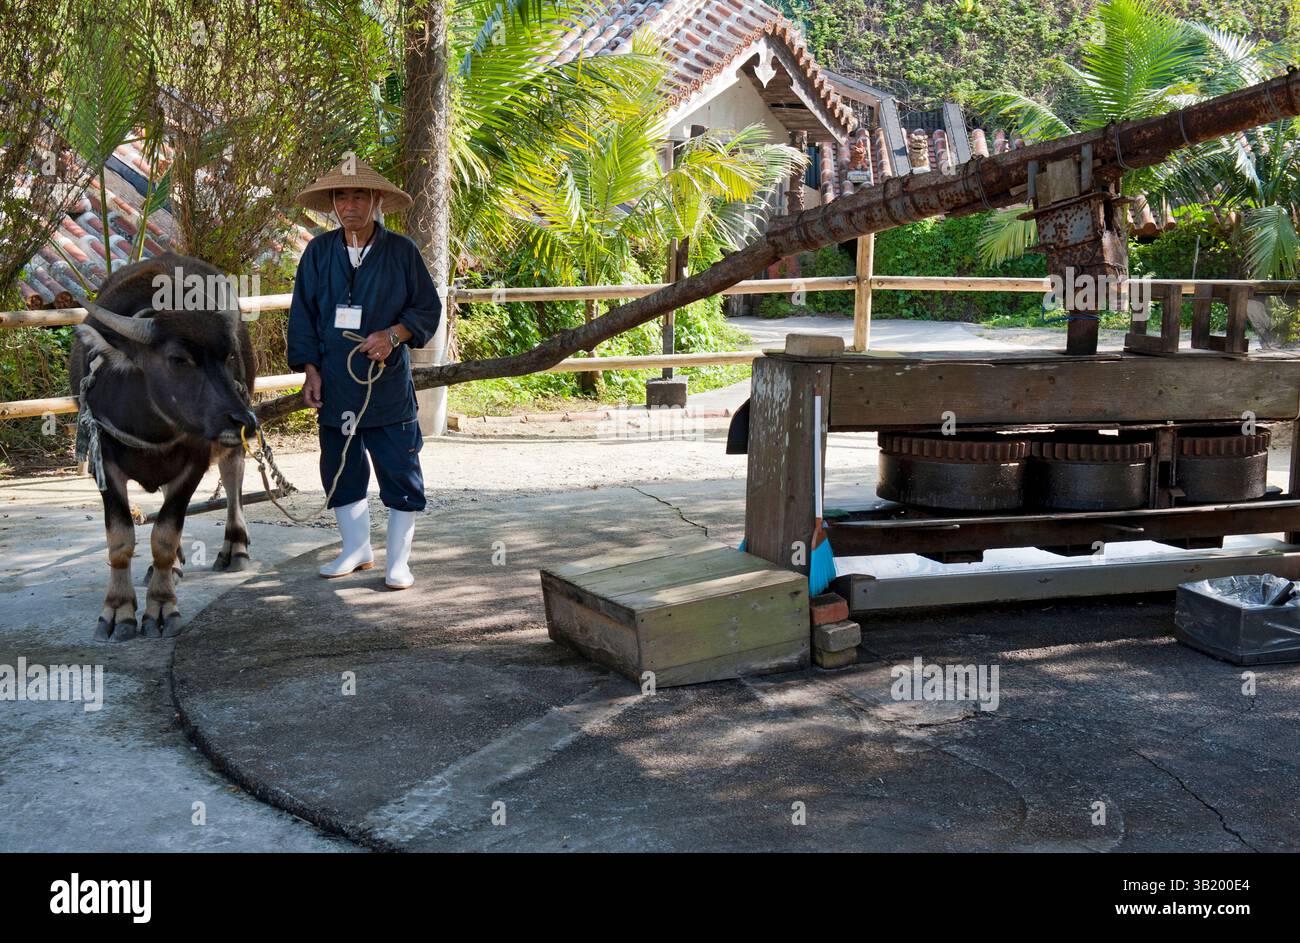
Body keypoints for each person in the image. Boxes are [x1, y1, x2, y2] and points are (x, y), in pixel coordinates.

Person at [286, 158, 442, 589]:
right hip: (336, 383)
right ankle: (355, 549)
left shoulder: (402, 252)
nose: (349, 204)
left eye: (358, 195)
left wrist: (394, 335)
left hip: (386, 384)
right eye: (341, 196)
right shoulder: (318, 253)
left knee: (399, 468)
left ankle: (399, 561)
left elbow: (427, 308)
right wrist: (310, 371)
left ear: (376, 201)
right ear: (333, 204)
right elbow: (303, 316)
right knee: (340, 466)